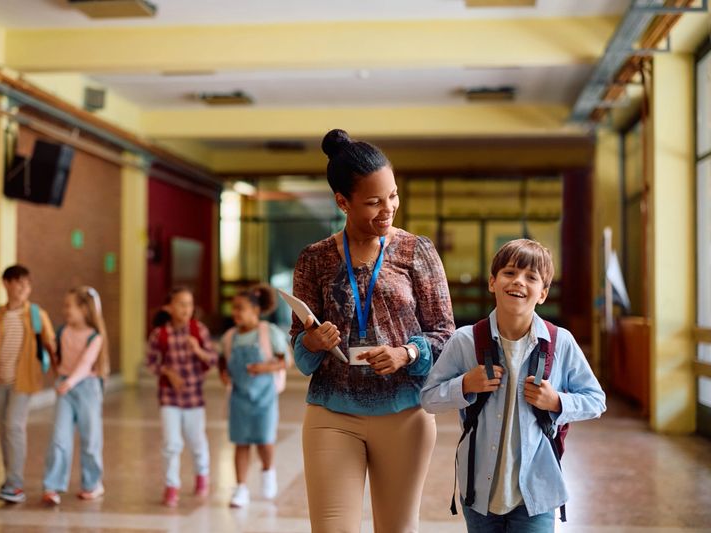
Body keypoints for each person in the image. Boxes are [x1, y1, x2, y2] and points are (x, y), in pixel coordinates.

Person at [289, 129, 455, 532]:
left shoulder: (417, 251)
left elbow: (445, 334)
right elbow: (300, 351)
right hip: (332, 413)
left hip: (405, 413)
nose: (388, 209)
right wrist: (311, 340)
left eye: (393, 196)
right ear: (342, 202)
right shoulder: (314, 260)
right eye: (374, 201)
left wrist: (407, 354)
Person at [421, 238, 607, 532]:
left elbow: (596, 400)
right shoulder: (465, 341)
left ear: (543, 293)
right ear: (492, 282)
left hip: (537, 494)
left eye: (531, 277)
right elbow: (429, 398)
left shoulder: (561, 343)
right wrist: (465, 384)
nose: (518, 281)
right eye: (509, 273)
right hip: (478, 495)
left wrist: (558, 402)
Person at [0, 264, 56, 503]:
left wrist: (60, 375)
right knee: (3, 429)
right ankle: (10, 478)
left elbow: (51, 345)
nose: (23, 287)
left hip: (24, 382)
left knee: (14, 426)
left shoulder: (37, 315)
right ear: (6, 283)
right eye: (18, 282)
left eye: (27, 283)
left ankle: (15, 484)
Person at [219, 285, 290, 508]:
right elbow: (223, 362)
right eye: (234, 309)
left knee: (264, 441)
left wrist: (265, 368)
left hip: (265, 398)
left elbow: (285, 361)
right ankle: (240, 488)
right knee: (240, 442)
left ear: (256, 310)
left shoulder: (269, 333)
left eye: (241, 308)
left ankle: (268, 472)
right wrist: (223, 375)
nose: (236, 313)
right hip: (239, 398)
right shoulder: (230, 337)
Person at [146, 287, 217, 507]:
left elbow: (212, 359)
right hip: (169, 398)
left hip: (194, 398)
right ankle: (171, 486)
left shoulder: (199, 330)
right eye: (181, 304)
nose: (186, 309)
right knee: (171, 443)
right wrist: (167, 372)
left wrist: (198, 351)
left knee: (197, 441)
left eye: (189, 304)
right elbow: (151, 363)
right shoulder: (160, 334)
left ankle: (202, 477)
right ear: (168, 307)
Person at [42, 286, 110, 505]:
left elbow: (85, 364)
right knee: (59, 437)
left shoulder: (95, 336)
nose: (65, 310)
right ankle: (52, 486)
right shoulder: (63, 331)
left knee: (90, 439)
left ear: (83, 309)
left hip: (87, 387)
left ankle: (92, 484)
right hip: (66, 386)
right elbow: (57, 358)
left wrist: (70, 382)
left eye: (69, 306)